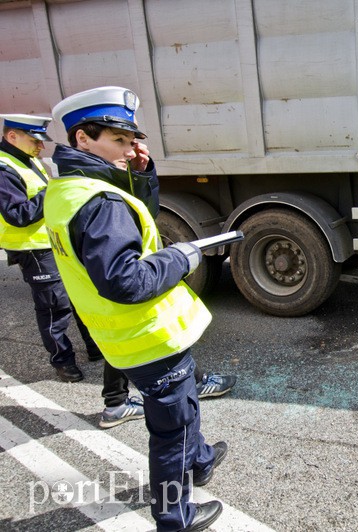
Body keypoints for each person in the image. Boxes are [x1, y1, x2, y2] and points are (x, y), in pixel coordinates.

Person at [45, 86, 227, 531]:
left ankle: (199, 460)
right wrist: (181, 256)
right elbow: (127, 279)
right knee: (171, 428)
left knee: (181, 407)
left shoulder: (68, 189)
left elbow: (129, 221)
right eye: (118, 141)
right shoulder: (99, 201)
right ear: (83, 139)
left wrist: (141, 174)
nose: (129, 149)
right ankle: (174, 516)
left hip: (130, 335)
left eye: (131, 141)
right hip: (145, 334)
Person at [0, 113, 103, 382]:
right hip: (35, 250)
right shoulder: (3, 168)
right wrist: (54, 190)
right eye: (35, 140)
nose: (40, 146)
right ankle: (63, 362)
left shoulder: (27, 159)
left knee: (82, 297)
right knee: (53, 308)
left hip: (57, 243)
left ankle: (95, 348)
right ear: (12, 136)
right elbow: (19, 215)